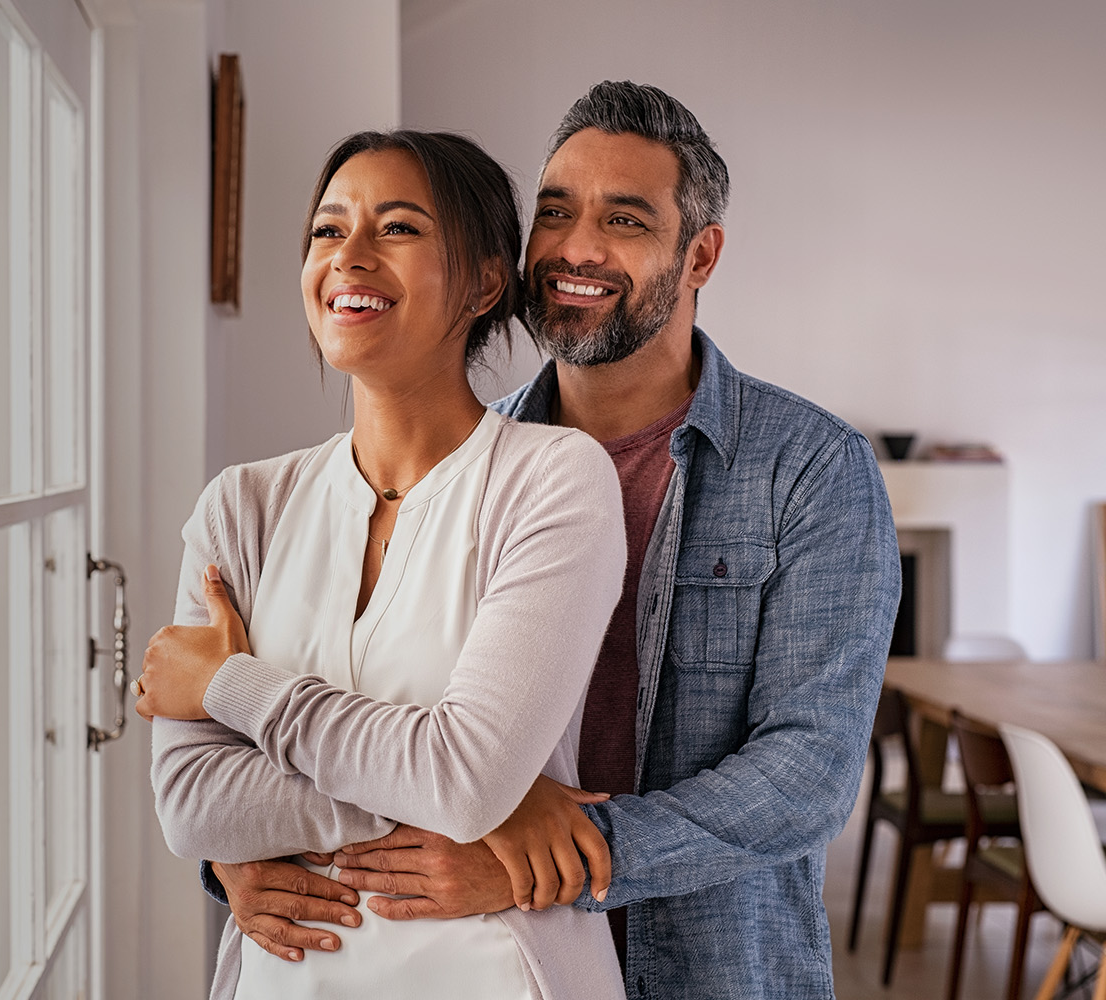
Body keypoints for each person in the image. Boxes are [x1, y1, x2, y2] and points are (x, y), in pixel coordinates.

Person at [208, 82, 902, 1000]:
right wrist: (238, 856)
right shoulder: (457, 462)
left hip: (712, 968)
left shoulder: (809, 469)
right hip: (477, 963)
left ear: (701, 256)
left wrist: (558, 856)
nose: (576, 248)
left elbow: (806, 772)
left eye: (624, 219)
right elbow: (361, 709)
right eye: (555, 213)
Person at [135, 130, 629, 999]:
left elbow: (465, 774)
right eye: (328, 232)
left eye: (396, 229)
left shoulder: (554, 480)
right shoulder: (240, 507)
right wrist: (477, 795)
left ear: (482, 283)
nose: (348, 257)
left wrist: (231, 687)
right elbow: (191, 804)